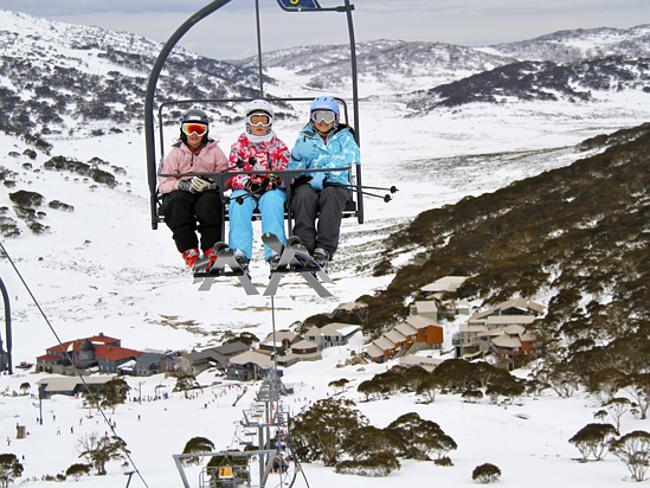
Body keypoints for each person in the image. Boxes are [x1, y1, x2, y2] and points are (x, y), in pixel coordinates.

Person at [289, 96, 360, 267]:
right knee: (303, 196)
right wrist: (297, 157)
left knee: (331, 195)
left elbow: (353, 156)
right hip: (310, 183)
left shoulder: (344, 137)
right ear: (311, 118)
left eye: (327, 117)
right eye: (318, 116)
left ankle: (324, 248)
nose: (322, 121)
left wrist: (326, 170)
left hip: (336, 183)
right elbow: (293, 170)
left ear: (336, 118)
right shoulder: (305, 137)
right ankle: (304, 245)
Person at [158, 108, 229, 269]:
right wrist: (181, 185)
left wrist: (212, 183)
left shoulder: (214, 152)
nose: (194, 135)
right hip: (183, 191)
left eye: (199, 130)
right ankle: (189, 249)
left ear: (206, 131)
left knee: (209, 204)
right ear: (182, 130)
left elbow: (226, 177)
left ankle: (211, 248)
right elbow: (164, 184)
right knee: (176, 204)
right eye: (190, 129)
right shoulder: (176, 154)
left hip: (206, 189)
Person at [227, 100, 290, 268]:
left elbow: (285, 169)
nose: (260, 124)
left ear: (270, 122)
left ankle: (275, 250)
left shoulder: (279, 146)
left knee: (272, 202)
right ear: (248, 122)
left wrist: (276, 179)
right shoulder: (239, 147)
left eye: (264, 119)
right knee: (237, 201)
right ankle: (240, 251)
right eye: (255, 120)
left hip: (271, 189)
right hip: (247, 190)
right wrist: (247, 183)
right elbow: (233, 172)